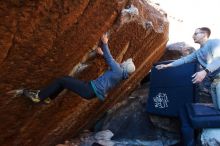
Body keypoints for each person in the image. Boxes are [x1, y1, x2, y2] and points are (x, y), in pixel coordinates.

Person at [21, 34, 136, 103]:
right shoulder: (121, 74)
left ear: (125, 67)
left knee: (60, 80)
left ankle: (39, 97)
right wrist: (102, 54)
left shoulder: (118, 70)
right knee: (65, 80)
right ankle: (49, 97)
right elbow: (112, 62)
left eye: (125, 62)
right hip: (91, 91)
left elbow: (111, 59)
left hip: (89, 89)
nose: (124, 61)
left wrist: (105, 43)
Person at [156, 27, 220, 146]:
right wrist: (167, 66)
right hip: (214, 84)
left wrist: (205, 71)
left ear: (205, 34)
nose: (193, 36)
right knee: (217, 110)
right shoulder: (198, 52)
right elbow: (185, 60)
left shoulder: (214, 43)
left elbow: (219, 59)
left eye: (196, 33)